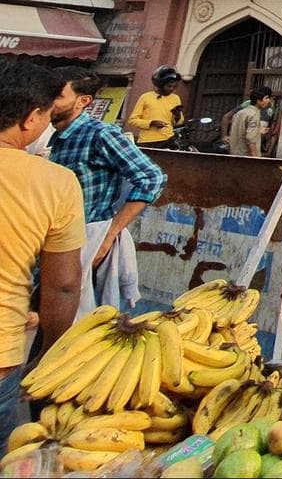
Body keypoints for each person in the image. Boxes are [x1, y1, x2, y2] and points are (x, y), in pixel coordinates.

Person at [0, 62, 84, 433]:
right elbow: (62, 285)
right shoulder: (56, 183)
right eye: (48, 116)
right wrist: (50, 354)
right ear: (31, 118)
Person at [48, 68, 166, 313]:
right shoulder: (52, 137)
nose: (50, 101)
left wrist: (110, 233)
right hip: (54, 242)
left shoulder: (100, 134)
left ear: (83, 101)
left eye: (58, 96)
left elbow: (151, 177)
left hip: (86, 243)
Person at [126, 65, 184, 146]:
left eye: (174, 87)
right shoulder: (146, 97)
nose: (172, 89)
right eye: (169, 86)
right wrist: (151, 123)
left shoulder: (175, 98)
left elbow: (179, 122)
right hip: (147, 141)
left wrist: (177, 116)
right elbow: (132, 120)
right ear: (160, 85)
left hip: (168, 139)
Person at [227, 86, 273, 157]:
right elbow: (250, 139)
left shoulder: (240, 113)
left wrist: (258, 131)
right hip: (246, 157)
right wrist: (254, 158)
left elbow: (241, 132)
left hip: (234, 155)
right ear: (258, 100)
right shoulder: (254, 114)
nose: (268, 101)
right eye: (266, 98)